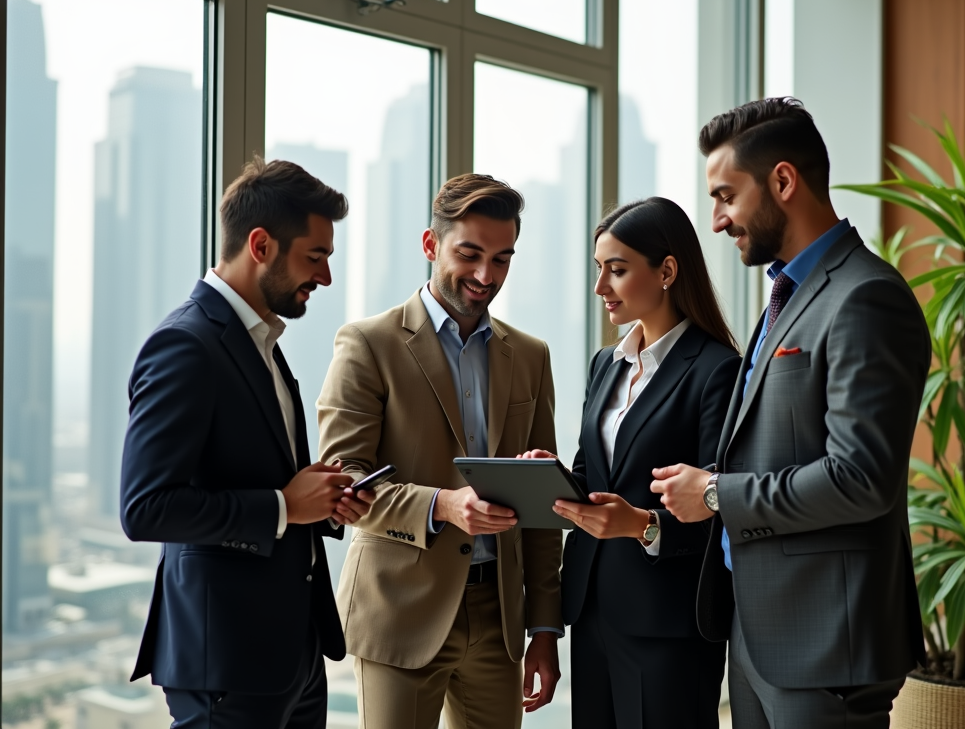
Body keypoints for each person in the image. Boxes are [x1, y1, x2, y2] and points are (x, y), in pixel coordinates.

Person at [650, 98, 930, 728]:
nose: (717, 221)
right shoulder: (788, 294)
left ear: (782, 181)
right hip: (758, 633)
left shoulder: (866, 298)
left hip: (827, 645)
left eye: (726, 196)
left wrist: (718, 495)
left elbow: (861, 480)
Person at [121, 157, 373, 729]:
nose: (326, 277)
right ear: (260, 244)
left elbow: (261, 474)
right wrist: (286, 507)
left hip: (295, 654)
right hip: (226, 663)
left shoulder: (262, 342)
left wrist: (324, 502)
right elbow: (145, 509)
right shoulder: (185, 346)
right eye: (316, 257)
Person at [316, 173, 564, 729]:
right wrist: (445, 506)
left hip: (499, 619)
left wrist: (544, 629)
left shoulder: (530, 355)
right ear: (431, 246)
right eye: (470, 254)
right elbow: (346, 483)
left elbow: (544, 509)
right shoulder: (367, 344)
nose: (485, 276)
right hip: (400, 611)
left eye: (502, 259)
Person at [520, 197, 740, 728]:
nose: (601, 288)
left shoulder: (717, 369)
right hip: (594, 611)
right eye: (599, 270)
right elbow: (593, 475)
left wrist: (642, 527)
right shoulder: (606, 363)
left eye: (616, 271)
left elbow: (723, 507)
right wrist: (550, 475)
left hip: (668, 623)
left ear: (666, 271)